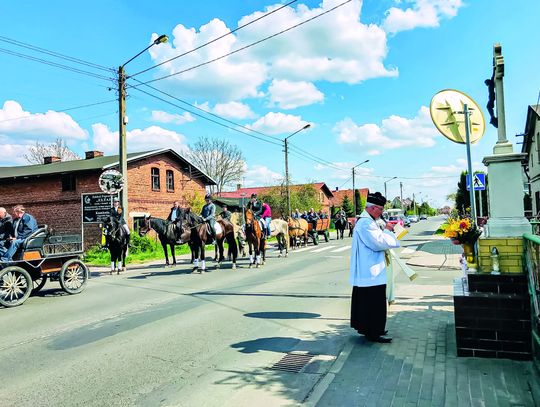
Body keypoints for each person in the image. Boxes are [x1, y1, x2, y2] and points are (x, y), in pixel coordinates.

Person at [349, 192, 399, 343]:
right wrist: (388, 231)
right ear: (373, 208)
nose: (382, 213)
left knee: (368, 302)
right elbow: (378, 242)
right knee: (374, 303)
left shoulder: (369, 221)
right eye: (381, 210)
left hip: (370, 269)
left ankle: (368, 328)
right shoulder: (366, 223)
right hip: (371, 270)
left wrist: (385, 229)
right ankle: (374, 332)